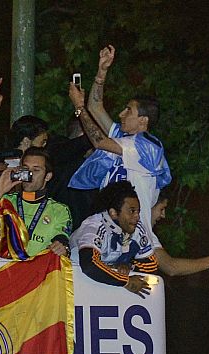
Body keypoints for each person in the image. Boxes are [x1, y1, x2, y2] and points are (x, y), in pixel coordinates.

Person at [68, 44, 171, 240]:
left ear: (143, 120)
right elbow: (96, 107)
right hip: (107, 225)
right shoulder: (124, 139)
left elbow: (99, 141)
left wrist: (79, 108)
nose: (121, 114)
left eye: (128, 111)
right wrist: (102, 71)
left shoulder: (147, 146)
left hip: (132, 234)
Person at [70, 181, 158, 298]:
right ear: (113, 213)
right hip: (75, 286)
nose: (137, 216)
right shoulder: (94, 226)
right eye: (132, 211)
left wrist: (129, 265)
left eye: (138, 211)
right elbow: (89, 265)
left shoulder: (136, 227)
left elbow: (152, 265)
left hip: (102, 287)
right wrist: (125, 281)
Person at [0, 147, 72, 259]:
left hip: (35, 272)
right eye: (25, 168)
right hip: (2, 270)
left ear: (48, 176)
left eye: (36, 170)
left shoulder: (59, 210)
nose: (30, 174)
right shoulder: (4, 201)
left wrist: (62, 247)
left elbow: (62, 239)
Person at [149, 193, 209, 276]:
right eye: (161, 209)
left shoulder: (148, 235)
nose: (163, 215)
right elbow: (171, 267)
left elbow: (170, 266)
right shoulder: (141, 232)